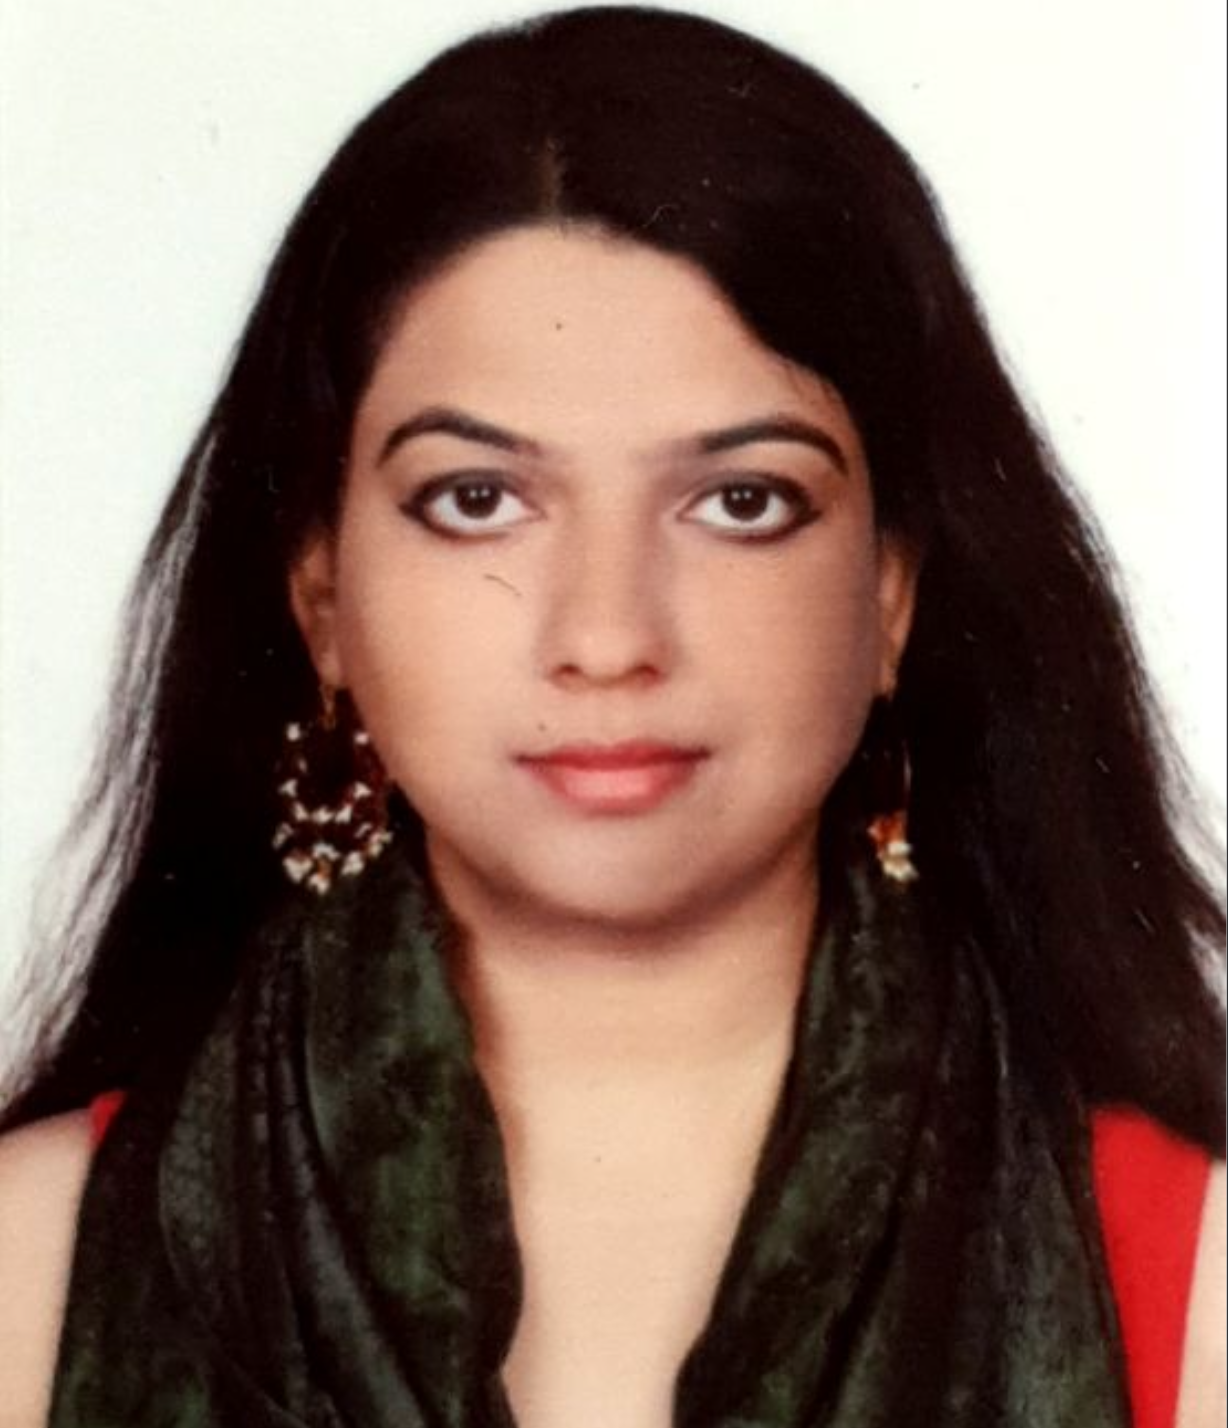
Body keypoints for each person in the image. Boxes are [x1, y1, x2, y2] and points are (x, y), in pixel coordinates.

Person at [0, 7, 1222, 1425]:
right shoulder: (28, 1279)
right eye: (477, 500)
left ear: (890, 596)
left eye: (740, 501)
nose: (605, 636)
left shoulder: (1193, 1298)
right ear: (322, 599)